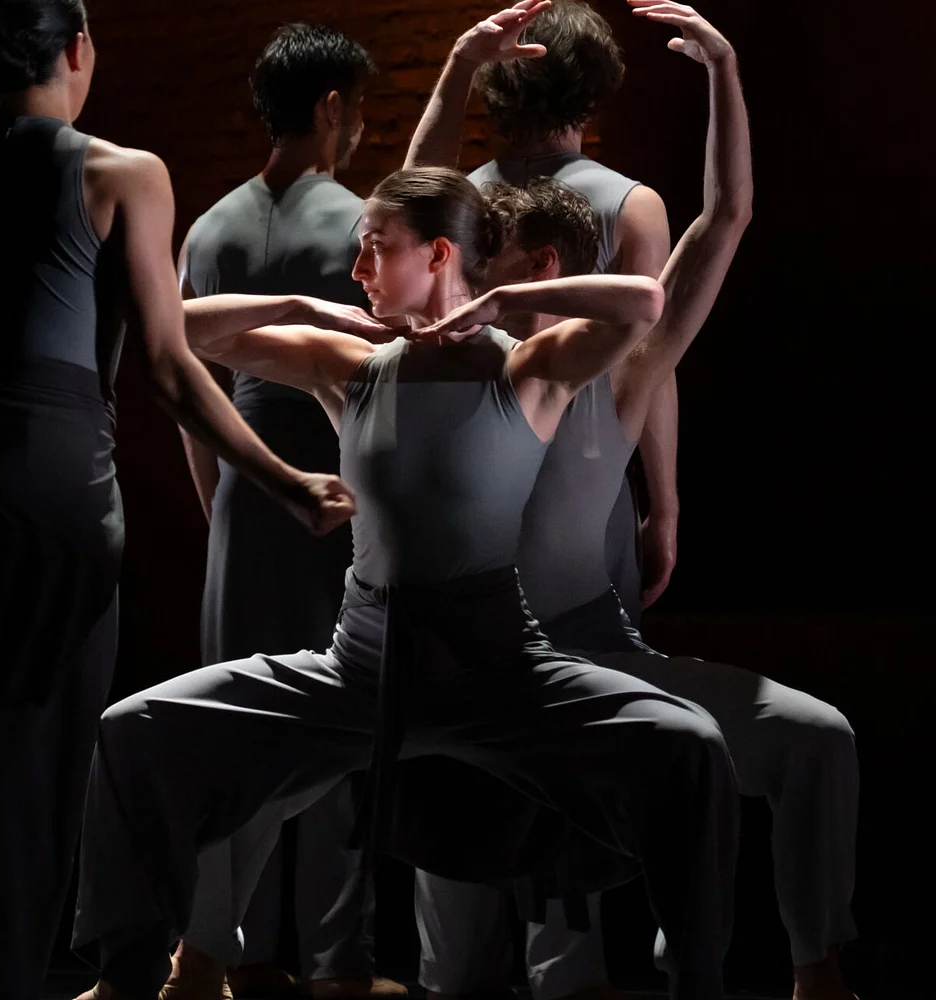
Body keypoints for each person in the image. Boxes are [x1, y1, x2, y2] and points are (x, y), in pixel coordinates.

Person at [0, 2, 357, 997]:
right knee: (36, 754)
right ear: (79, 48)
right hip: (54, 488)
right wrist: (287, 478)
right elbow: (168, 368)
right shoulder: (122, 174)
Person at [72, 166, 741, 1000]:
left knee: (691, 747)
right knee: (134, 730)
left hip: (498, 669)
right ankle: (128, 977)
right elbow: (170, 324)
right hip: (362, 668)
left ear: (438, 253)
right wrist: (301, 306)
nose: (356, 270)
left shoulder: (530, 369)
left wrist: (499, 303)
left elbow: (644, 301)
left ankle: (698, 982)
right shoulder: (349, 367)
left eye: (375, 248)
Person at [410, 7, 861, 1000]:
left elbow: (725, 219)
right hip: (462, 673)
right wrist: (459, 66)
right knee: (461, 955)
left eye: (532, 260)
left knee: (810, 738)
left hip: (583, 651)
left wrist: (725, 68)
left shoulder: (619, 369)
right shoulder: (443, 367)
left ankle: (810, 969)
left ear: (560, 270)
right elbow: (408, 204)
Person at [173, 23, 402, 999]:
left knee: (238, 721)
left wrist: (222, 499)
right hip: (337, 480)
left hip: (242, 489)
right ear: (332, 108)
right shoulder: (360, 224)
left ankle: (228, 950)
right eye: (360, 109)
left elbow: (185, 390)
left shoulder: (205, 230)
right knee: (340, 723)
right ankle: (337, 961)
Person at [407, 0, 681, 624]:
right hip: (584, 461)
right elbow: (652, 363)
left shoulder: (461, 198)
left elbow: (412, 193)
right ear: (595, 84)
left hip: (470, 453)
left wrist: (460, 64)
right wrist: (664, 507)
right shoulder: (633, 206)